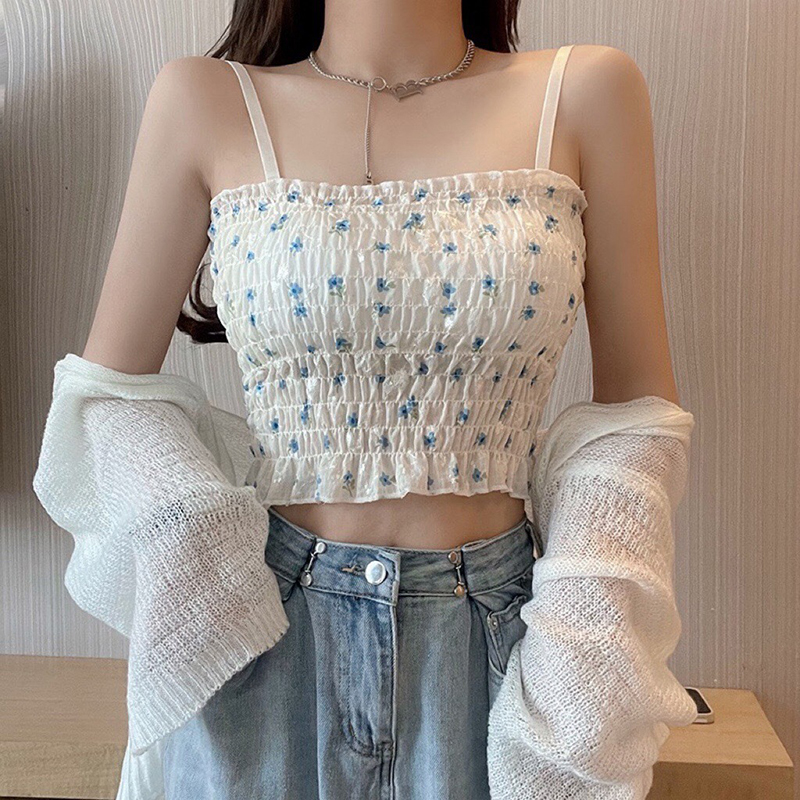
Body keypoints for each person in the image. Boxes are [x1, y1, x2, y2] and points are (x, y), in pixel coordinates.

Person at [33, 1, 698, 798]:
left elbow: (635, 421)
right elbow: (109, 396)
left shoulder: (586, 92)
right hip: (264, 642)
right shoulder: (204, 101)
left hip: (499, 655)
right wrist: (198, 547)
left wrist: (582, 645)